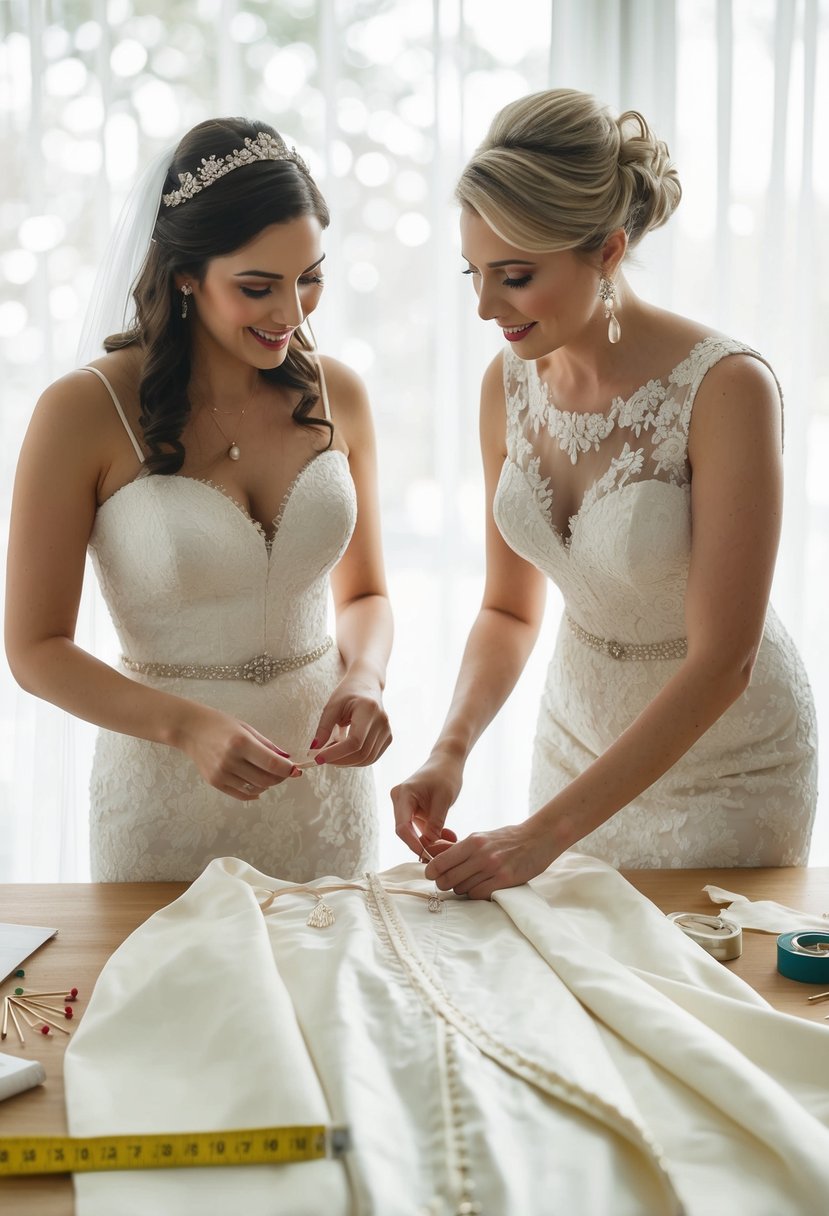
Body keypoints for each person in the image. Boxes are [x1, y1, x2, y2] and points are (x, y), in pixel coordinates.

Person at [392, 88, 817, 897]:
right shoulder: (506, 384)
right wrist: (448, 750)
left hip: (726, 770)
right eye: (473, 274)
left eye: (513, 277)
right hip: (571, 746)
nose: (484, 307)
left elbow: (724, 660)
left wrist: (540, 835)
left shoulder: (725, 389)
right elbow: (508, 609)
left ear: (609, 251)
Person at [5, 117, 393, 882]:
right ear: (185, 273)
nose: (293, 313)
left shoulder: (337, 393)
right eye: (258, 286)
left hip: (322, 794)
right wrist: (185, 727)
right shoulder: (81, 412)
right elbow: (33, 650)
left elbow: (369, 593)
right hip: (163, 796)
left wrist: (365, 677)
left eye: (309, 276)